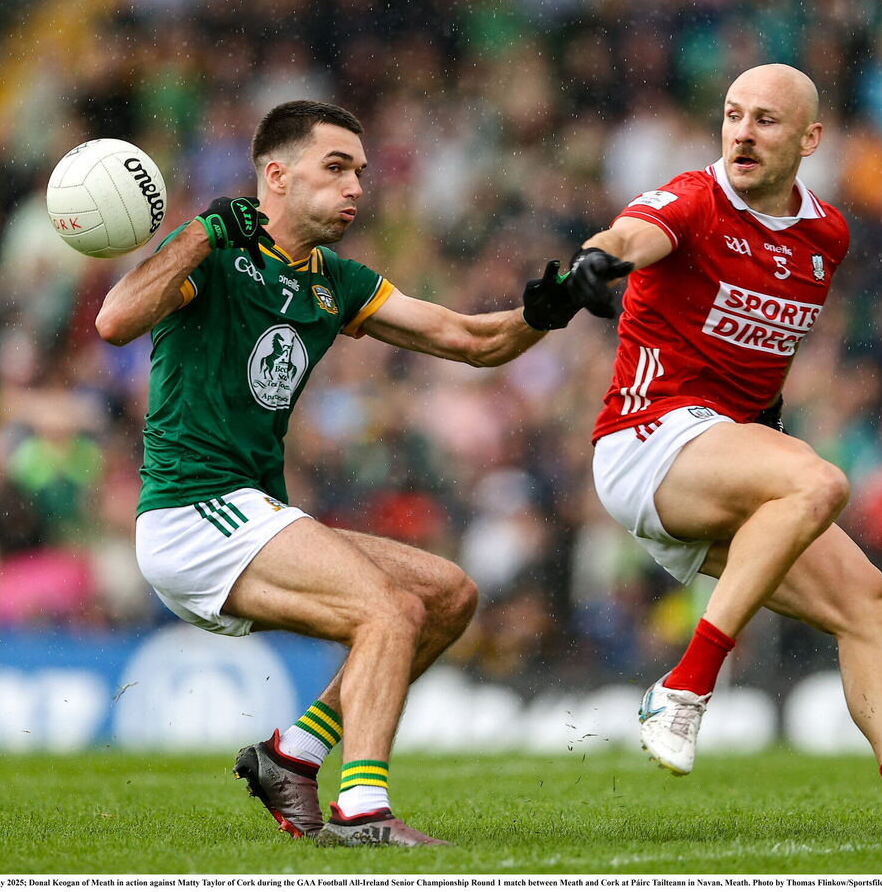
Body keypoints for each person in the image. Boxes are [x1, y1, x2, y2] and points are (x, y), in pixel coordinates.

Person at [94, 100, 593, 847]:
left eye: (360, 171)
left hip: (252, 514)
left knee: (447, 595)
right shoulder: (214, 254)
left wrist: (540, 315)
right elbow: (113, 321)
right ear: (276, 175)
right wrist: (200, 232)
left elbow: (468, 339)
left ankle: (291, 756)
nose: (357, 186)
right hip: (195, 512)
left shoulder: (336, 279)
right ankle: (363, 814)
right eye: (336, 168)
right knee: (386, 611)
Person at [566, 64, 882, 840]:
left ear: (811, 139)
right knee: (817, 481)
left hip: (727, 453)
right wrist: (600, 258)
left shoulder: (828, 235)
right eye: (732, 115)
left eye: (766, 121)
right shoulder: (692, 198)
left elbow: (763, 362)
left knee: (874, 607)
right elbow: (630, 234)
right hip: (647, 439)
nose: (742, 133)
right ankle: (685, 687)